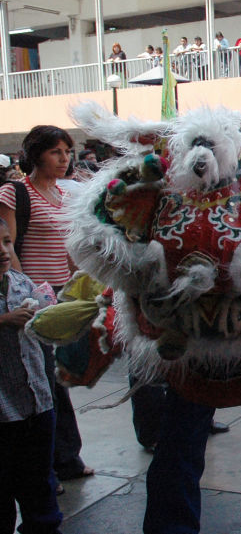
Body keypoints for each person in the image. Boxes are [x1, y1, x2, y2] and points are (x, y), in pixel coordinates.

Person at [0, 126, 92, 484]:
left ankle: (59, 460)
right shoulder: (15, 193)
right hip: (30, 294)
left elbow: (70, 249)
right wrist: (27, 293)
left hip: (59, 293)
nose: (64, 159)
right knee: (44, 378)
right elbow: (8, 247)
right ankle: (59, 462)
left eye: (67, 152)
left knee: (55, 376)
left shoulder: (64, 196)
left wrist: (79, 286)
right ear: (36, 154)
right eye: (56, 152)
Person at [0, 217, 63, 534]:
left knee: (39, 477)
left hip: (37, 400)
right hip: (3, 410)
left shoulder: (23, 284)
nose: (2, 250)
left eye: (7, 242)